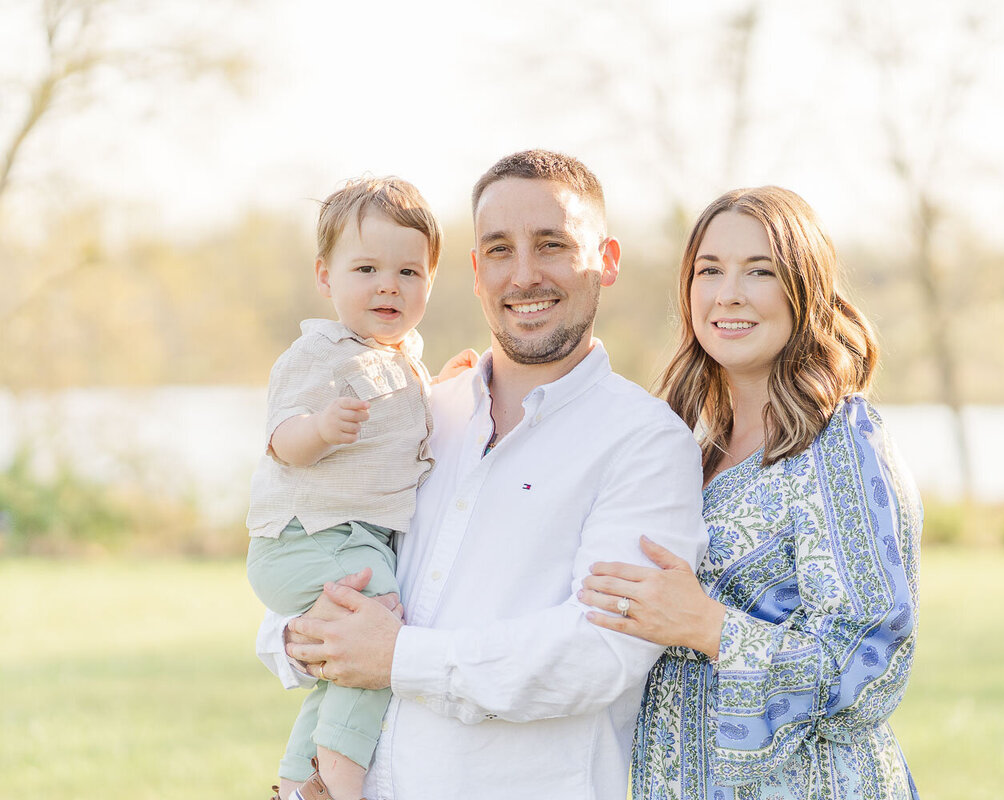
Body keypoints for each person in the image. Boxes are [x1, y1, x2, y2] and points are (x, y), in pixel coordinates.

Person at [256, 150, 710, 800]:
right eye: (499, 250)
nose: (524, 275)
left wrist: (395, 656)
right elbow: (308, 556)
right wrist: (305, 638)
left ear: (607, 260)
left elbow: (598, 654)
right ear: (474, 272)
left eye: (551, 244)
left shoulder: (646, 443)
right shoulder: (419, 411)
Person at [579, 186, 923, 799]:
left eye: (758, 271)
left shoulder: (839, 441)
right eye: (710, 270)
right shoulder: (689, 448)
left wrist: (710, 627)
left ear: (804, 291)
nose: (728, 293)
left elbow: (873, 666)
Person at [246, 177, 452, 800]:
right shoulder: (321, 353)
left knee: (346, 666)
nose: (389, 284)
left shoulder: (401, 358)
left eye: (408, 272)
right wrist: (321, 429)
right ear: (325, 277)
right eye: (366, 268)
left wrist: (447, 382)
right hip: (305, 537)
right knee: (379, 629)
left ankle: (296, 780)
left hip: (346, 540)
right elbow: (280, 440)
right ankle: (342, 778)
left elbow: (399, 413)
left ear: (430, 283)